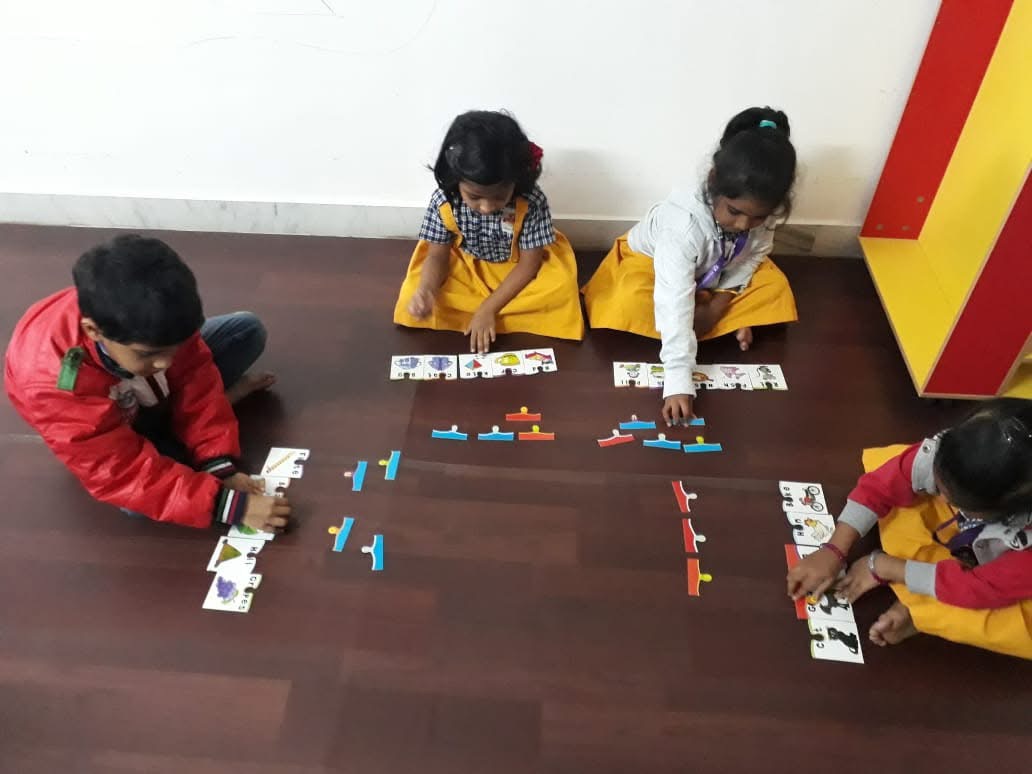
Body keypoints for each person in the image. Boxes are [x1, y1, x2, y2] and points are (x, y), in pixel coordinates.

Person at [4, 234, 290, 532]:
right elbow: (120, 473)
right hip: (106, 425)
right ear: (93, 331)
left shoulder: (156, 323)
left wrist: (217, 462)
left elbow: (196, 377)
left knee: (246, 331)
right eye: (150, 354)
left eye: (175, 348)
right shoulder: (49, 383)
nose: (165, 363)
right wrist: (228, 505)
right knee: (134, 500)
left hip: (142, 391)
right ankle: (171, 431)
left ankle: (177, 430)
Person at [582, 106, 799, 425]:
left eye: (758, 217)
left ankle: (710, 315)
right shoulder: (681, 226)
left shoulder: (758, 217)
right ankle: (722, 320)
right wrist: (678, 382)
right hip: (652, 266)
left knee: (775, 285)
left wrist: (717, 305)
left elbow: (752, 256)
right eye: (735, 211)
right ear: (713, 182)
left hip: (720, 269)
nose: (743, 224)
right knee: (628, 300)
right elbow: (671, 299)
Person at [787, 398, 1032, 659]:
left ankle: (920, 611)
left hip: (1010, 575)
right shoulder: (955, 453)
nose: (945, 499)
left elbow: (979, 590)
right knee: (897, 476)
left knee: (1008, 626)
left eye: (958, 500)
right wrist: (834, 549)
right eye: (941, 486)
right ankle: (923, 600)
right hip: (986, 534)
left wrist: (883, 566)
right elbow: (881, 486)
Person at [393, 110, 584, 353]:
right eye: (474, 197)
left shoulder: (531, 200)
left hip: (517, 268)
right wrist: (427, 290)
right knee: (414, 289)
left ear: (516, 181)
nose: (486, 207)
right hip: (465, 265)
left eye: (499, 197)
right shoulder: (444, 200)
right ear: (455, 179)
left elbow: (529, 266)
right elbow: (437, 256)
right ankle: (485, 313)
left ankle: (484, 314)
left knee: (560, 291)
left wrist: (487, 308)